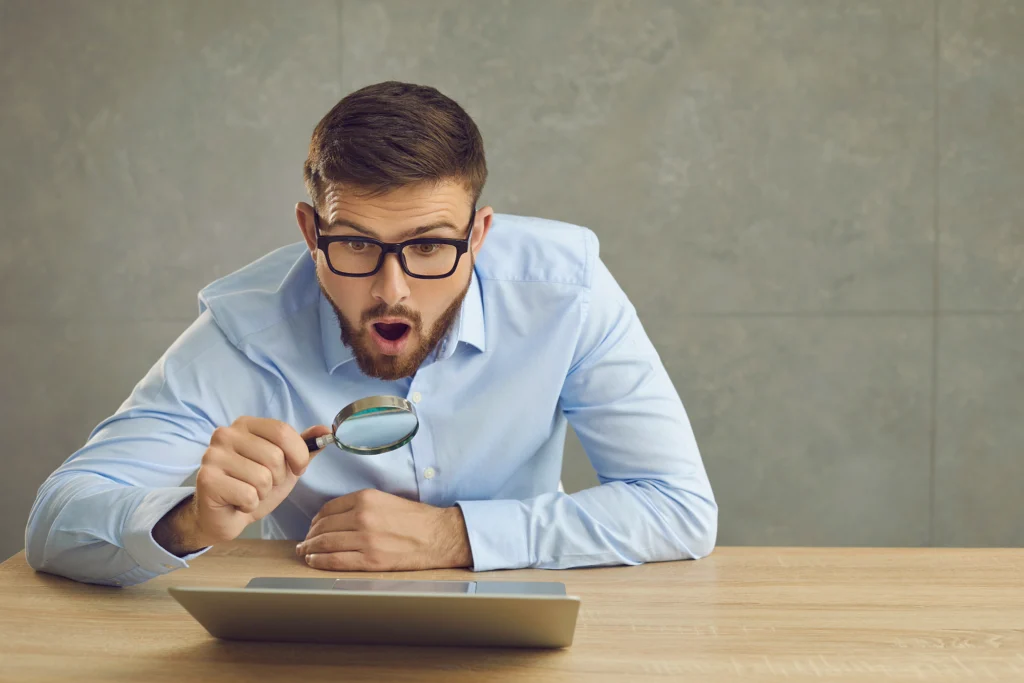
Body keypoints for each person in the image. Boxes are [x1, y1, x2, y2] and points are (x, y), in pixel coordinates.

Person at [25, 81, 717, 587]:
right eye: (356, 244)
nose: (393, 290)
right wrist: (187, 522)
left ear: (478, 236)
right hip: (316, 634)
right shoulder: (248, 328)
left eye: (429, 247)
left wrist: (457, 536)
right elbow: (56, 521)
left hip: (522, 606)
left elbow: (679, 506)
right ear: (310, 232)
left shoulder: (566, 293)